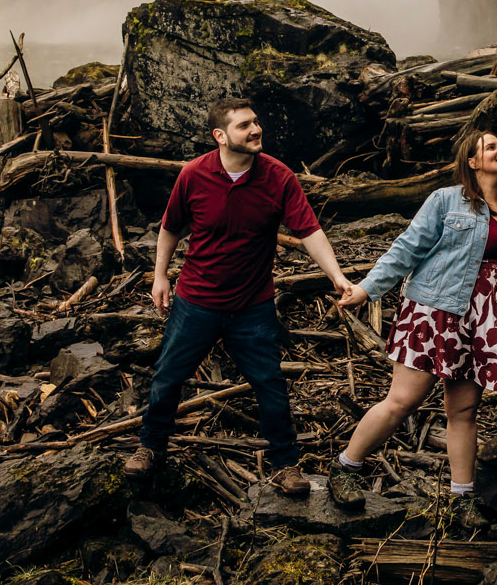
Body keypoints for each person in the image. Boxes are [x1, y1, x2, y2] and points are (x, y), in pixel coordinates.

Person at [124, 99, 364, 497]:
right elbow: (170, 229)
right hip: (196, 301)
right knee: (168, 377)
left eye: (256, 122)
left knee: (269, 384)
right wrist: (160, 276)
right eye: (244, 126)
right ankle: (150, 446)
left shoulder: (278, 177)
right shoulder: (194, 175)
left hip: (252, 306)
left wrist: (337, 276)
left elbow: (310, 232)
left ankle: (286, 466)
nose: (256, 131)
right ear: (220, 136)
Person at [334, 128, 497, 523]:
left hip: (487, 319)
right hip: (435, 310)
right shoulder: (445, 201)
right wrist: (367, 289)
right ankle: (345, 467)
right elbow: (406, 249)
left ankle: (462, 500)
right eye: (491, 147)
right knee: (402, 401)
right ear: (472, 161)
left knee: (464, 411)